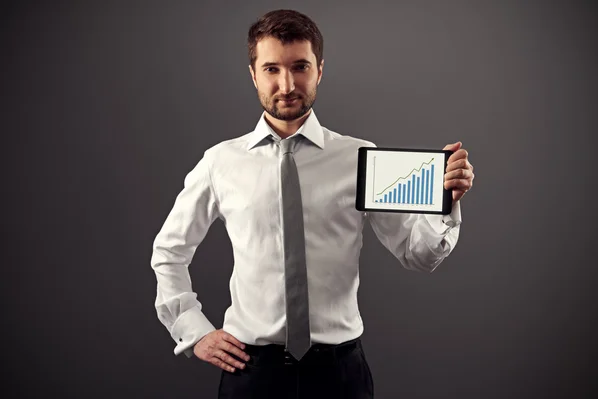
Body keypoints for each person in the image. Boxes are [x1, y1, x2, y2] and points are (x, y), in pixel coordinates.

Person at [150, 8, 474, 399]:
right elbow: (169, 251)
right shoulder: (220, 162)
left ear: (319, 70)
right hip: (251, 373)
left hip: (340, 374)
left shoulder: (361, 157)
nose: (286, 84)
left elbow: (418, 255)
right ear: (253, 74)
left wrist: (445, 201)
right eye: (271, 69)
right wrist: (194, 331)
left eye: (299, 66)